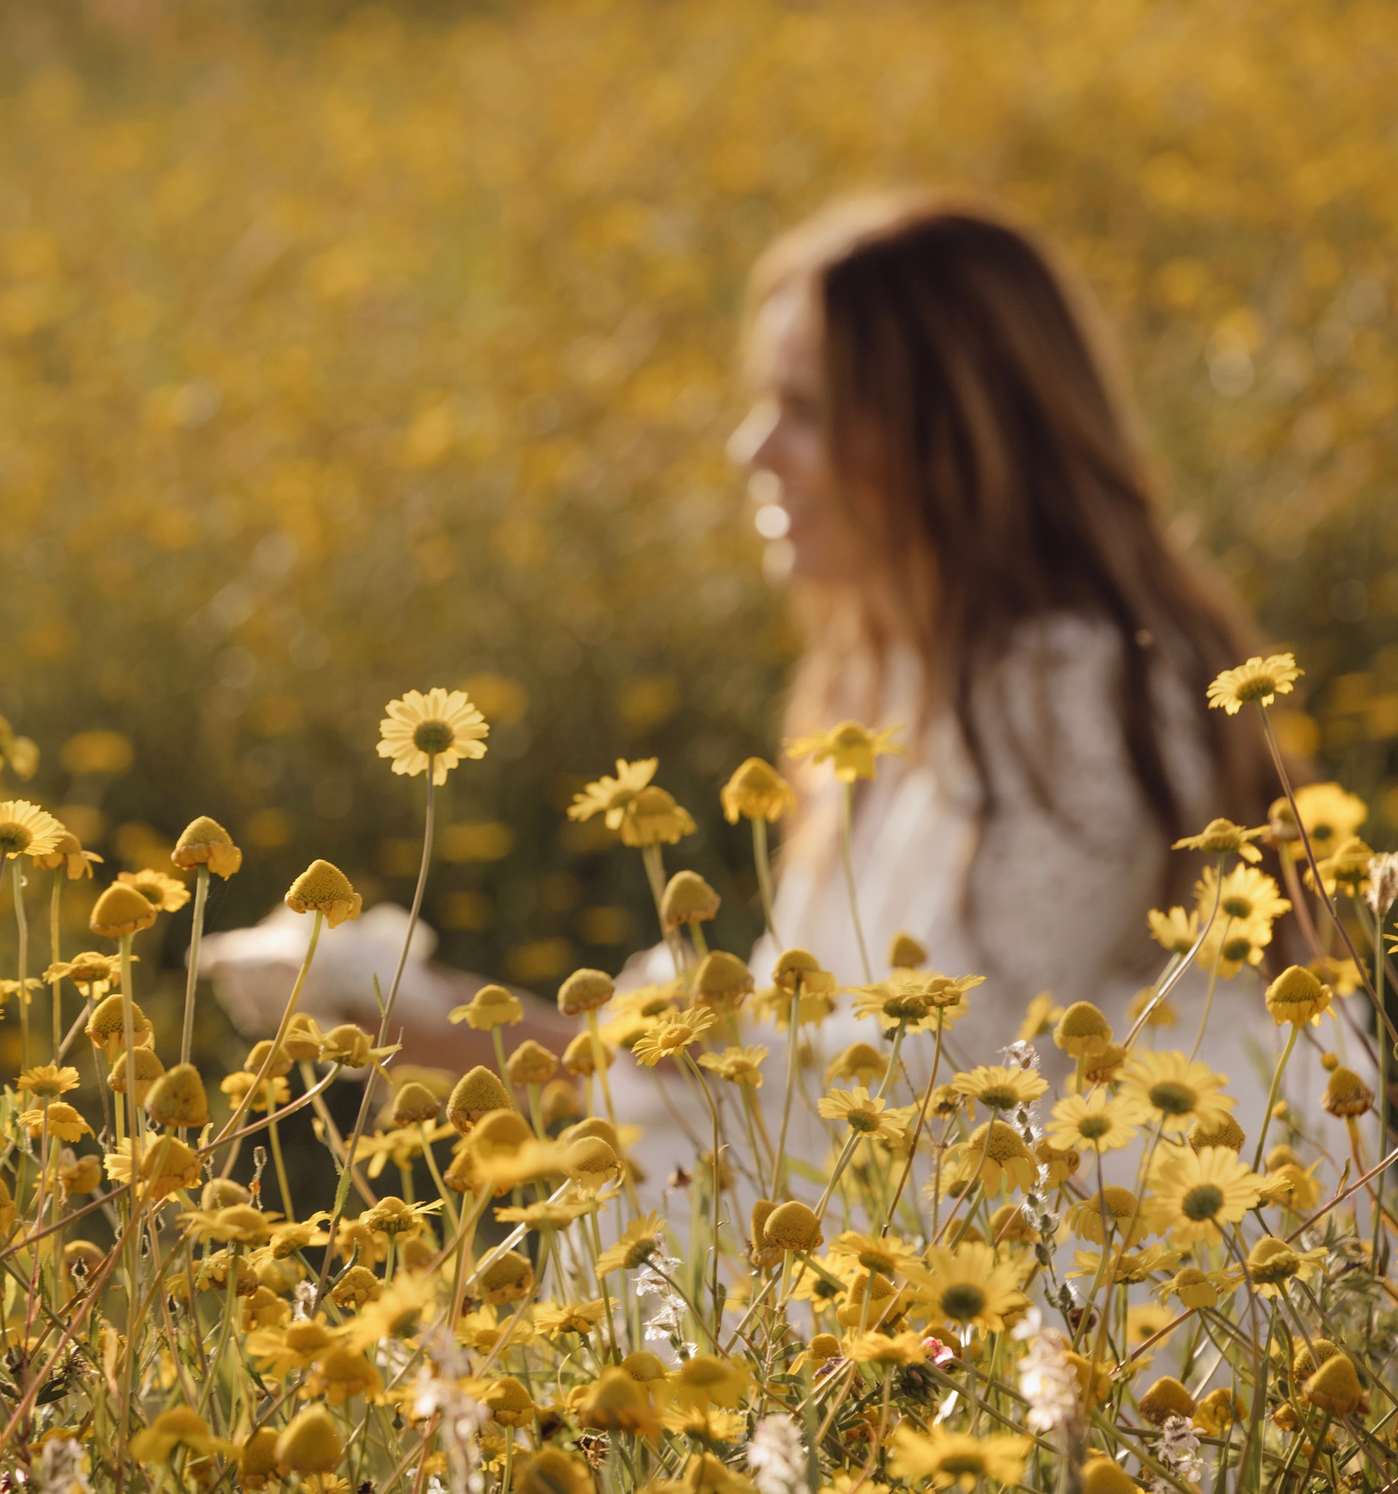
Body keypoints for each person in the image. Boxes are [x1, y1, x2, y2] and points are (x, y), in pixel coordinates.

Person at [206, 193, 1300, 1169]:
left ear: (949, 434)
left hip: (1087, 1287)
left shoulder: (1079, 689)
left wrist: (454, 1033)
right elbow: (804, 1067)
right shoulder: (896, 678)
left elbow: (932, 1098)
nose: (752, 449)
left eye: (807, 411)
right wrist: (427, 1015)